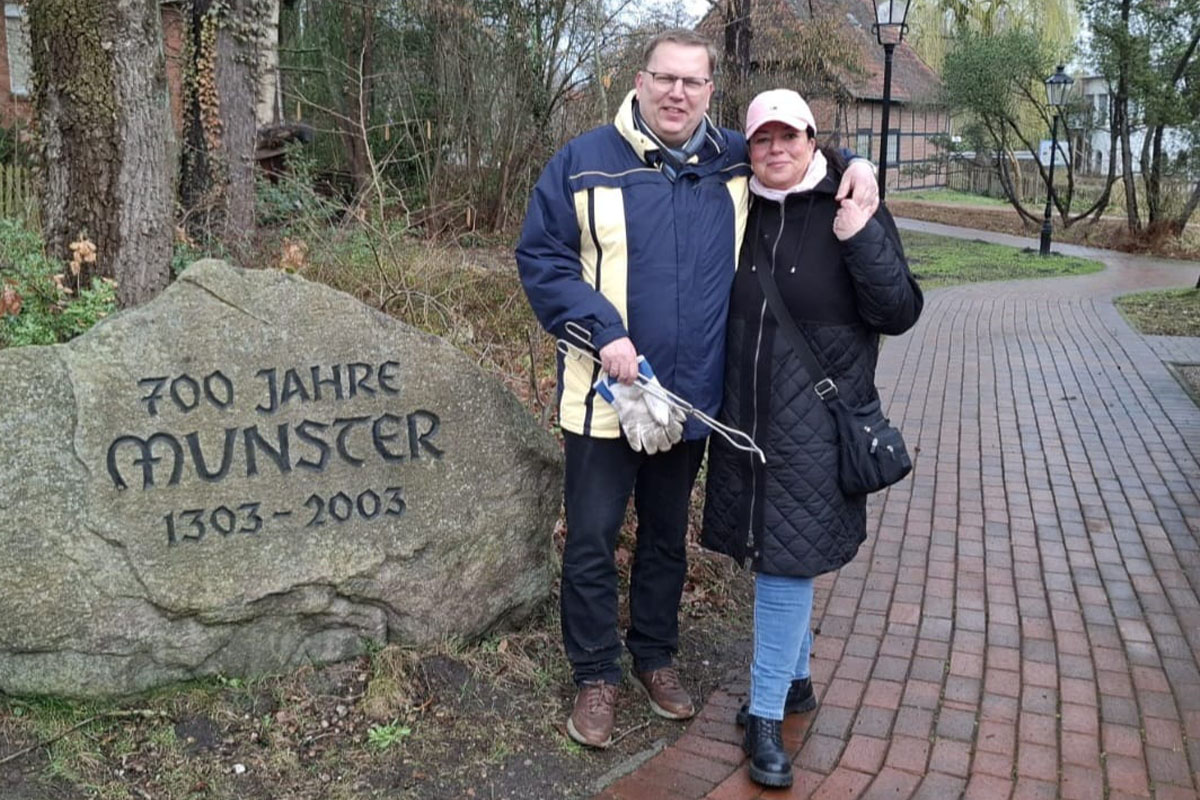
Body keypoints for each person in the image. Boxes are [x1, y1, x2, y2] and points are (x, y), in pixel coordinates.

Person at [515, 33, 879, 749]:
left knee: (664, 541)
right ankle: (595, 675)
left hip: (686, 405)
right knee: (590, 541)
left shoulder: (733, 160)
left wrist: (856, 162)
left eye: (693, 81)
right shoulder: (583, 163)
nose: (678, 93)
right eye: (666, 79)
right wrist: (599, 329)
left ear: (712, 92)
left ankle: (655, 657)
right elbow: (541, 257)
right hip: (603, 399)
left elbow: (797, 152)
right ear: (640, 81)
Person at [701, 88, 923, 788]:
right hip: (745, 422)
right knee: (775, 553)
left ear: (812, 139)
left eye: (788, 137)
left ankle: (766, 716)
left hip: (816, 430)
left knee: (784, 567)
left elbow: (899, 311)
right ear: (748, 146)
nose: (775, 150)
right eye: (761, 139)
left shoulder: (848, 206)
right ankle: (795, 682)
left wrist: (861, 232)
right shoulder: (734, 205)